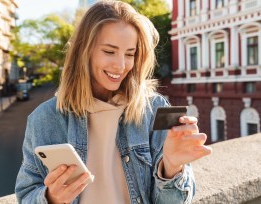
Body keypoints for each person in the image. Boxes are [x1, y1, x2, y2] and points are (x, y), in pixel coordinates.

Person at [15, 1, 212, 203]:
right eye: (109, 51)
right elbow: (26, 195)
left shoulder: (154, 110)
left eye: (130, 54)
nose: (120, 65)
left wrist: (171, 169)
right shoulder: (44, 119)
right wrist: (51, 198)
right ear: (84, 51)